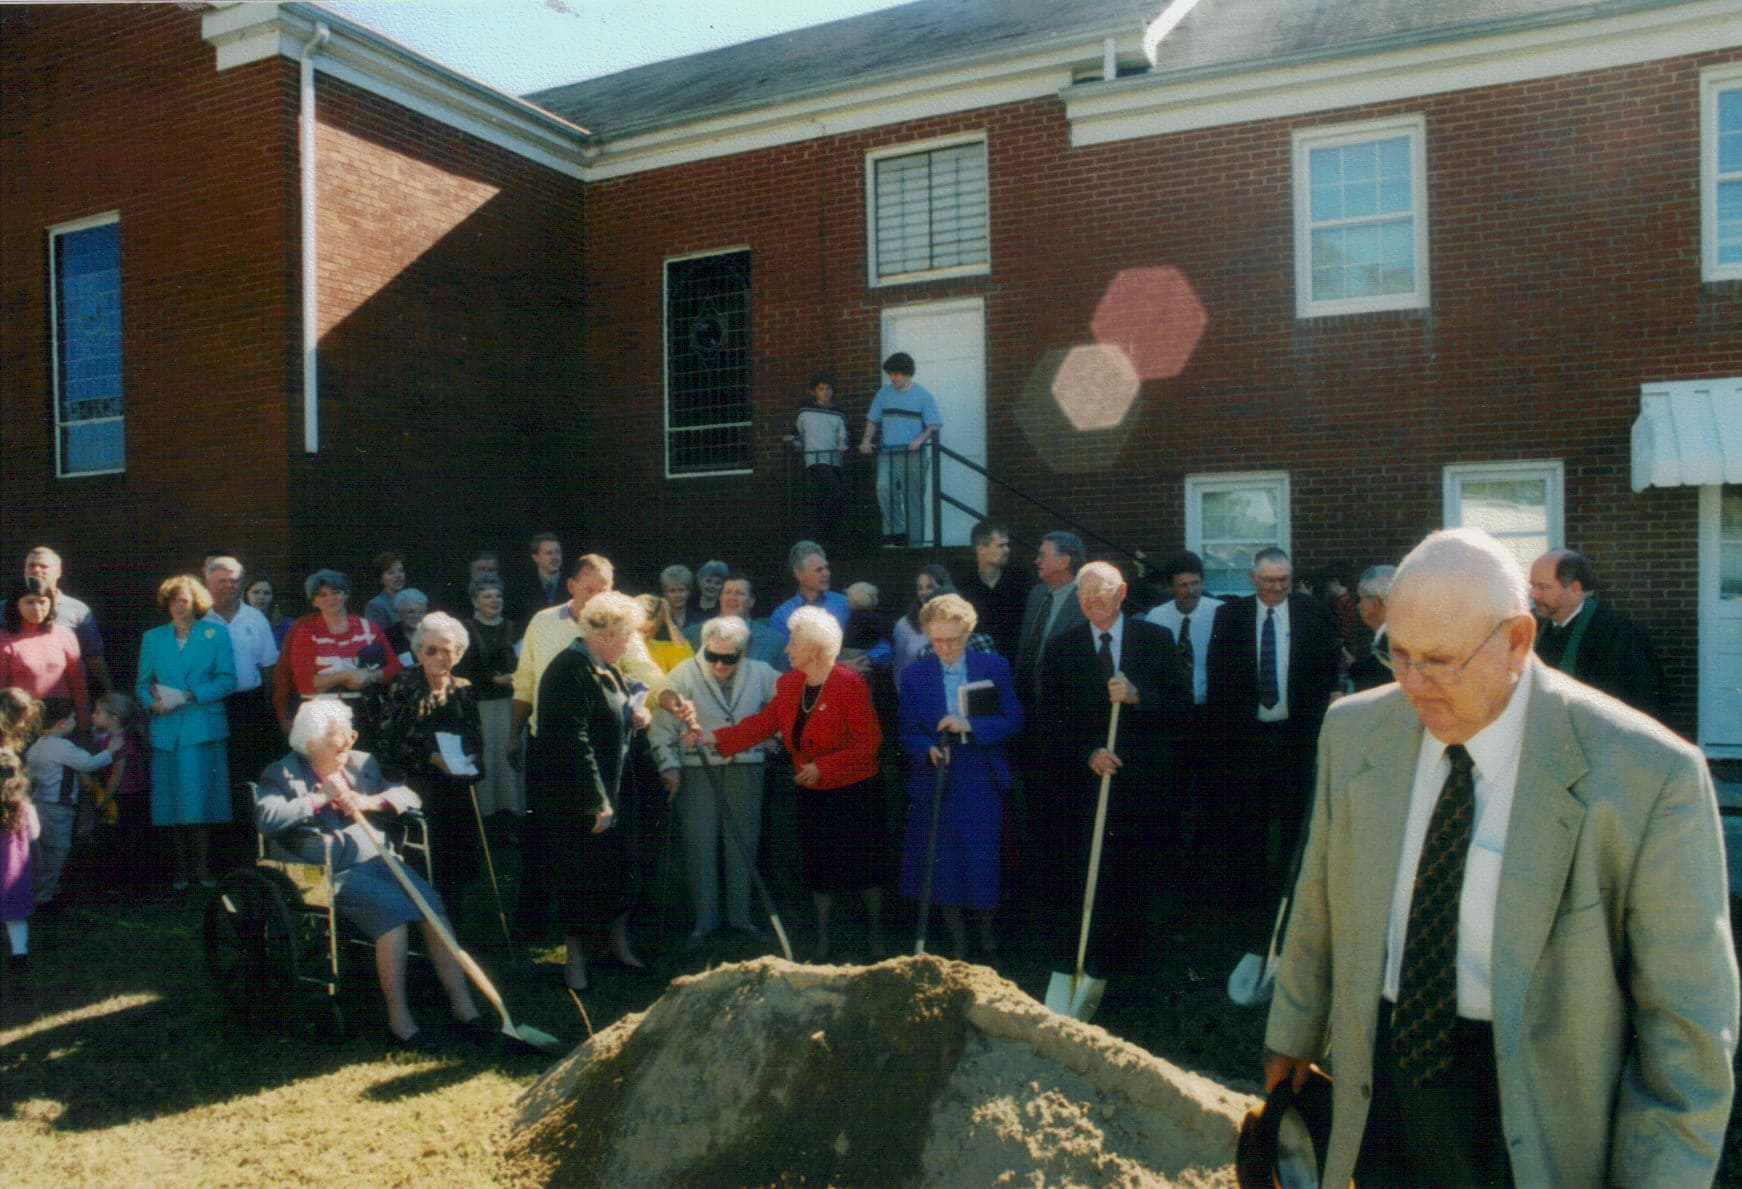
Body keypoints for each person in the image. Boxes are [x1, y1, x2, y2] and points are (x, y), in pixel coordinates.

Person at [1263, 527, 1738, 1187]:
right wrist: (1292, 1031)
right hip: (1384, 1091)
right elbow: (1319, 897)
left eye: (1440, 659)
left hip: (1540, 1122)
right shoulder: (1353, 730)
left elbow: (1687, 1036)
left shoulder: (1648, 776)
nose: (1414, 684)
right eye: (1397, 653)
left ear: (1518, 639)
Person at [257, 699, 490, 1051]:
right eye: (340, 737)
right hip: (331, 869)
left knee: (432, 908)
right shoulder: (283, 773)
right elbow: (268, 819)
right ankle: (400, 1021)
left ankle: (465, 1007)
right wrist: (319, 798)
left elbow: (408, 793)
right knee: (393, 918)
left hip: (381, 859)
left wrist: (369, 802)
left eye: (351, 734)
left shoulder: (362, 763)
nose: (350, 741)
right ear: (312, 741)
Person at [705, 605, 887, 962]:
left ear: (816, 648)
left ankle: (875, 936)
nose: (787, 649)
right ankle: (823, 941)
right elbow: (761, 724)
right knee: (819, 867)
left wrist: (825, 767)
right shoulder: (789, 684)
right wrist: (713, 738)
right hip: (813, 793)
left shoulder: (849, 684)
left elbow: (870, 743)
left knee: (867, 868)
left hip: (855, 790)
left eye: (794, 643)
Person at [1040, 562, 1190, 954]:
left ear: (1121, 591)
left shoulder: (1156, 639)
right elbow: (1050, 722)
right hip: (1089, 786)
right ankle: (1097, 953)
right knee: (1094, 873)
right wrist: (1087, 752)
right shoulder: (1061, 648)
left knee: (1142, 873)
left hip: (1144, 784)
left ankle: (1142, 956)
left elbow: (1182, 707)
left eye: (1101, 591)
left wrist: (1139, 695)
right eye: (1084, 594)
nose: (1093, 600)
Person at [523, 591, 649, 990]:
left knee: (614, 870)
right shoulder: (570, 669)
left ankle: (616, 944)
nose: (631, 643)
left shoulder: (605, 667)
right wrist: (595, 800)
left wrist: (634, 715)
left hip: (610, 789)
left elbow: (610, 713)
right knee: (577, 875)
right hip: (576, 796)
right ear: (608, 633)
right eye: (627, 635)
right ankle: (574, 961)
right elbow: (572, 739)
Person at [1204, 547, 1341, 903]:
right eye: (1268, 580)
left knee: (1296, 819)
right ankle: (1249, 900)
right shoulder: (1229, 617)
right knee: (1249, 822)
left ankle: (1293, 895)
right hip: (1247, 740)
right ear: (1253, 579)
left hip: (1296, 737)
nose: (1277, 588)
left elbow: (1327, 671)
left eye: (1283, 580)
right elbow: (1218, 680)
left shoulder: (1313, 614)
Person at [896, 594, 1023, 959]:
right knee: (944, 864)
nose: (946, 648)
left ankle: (988, 942)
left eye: (954, 639)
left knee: (981, 860)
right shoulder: (915, 674)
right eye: (937, 641)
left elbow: (1014, 720)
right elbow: (906, 729)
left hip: (980, 774)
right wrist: (926, 748)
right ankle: (958, 946)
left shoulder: (992, 667)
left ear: (968, 633)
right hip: (937, 776)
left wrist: (970, 725)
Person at [650, 615, 780, 947]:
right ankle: (704, 921)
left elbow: (786, 709)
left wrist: (773, 738)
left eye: (729, 658)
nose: (720, 665)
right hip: (697, 769)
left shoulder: (762, 673)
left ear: (744, 651)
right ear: (704, 649)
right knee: (699, 842)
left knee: (744, 842)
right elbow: (660, 728)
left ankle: (741, 917)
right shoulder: (683, 674)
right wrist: (669, 766)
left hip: (746, 765)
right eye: (713, 656)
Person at [363, 611, 484, 912]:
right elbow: (386, 742)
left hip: (454, 780)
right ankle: (423, 916)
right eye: (431, 650)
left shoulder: (464, 688)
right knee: (431, 852)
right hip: (415, 781)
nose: (440, 657)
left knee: (461, 852)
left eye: (448, 650)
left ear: (459, 652)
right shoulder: (405, 684)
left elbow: (476, 740)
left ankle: (453, 919)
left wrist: (470, 758)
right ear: (418, 652)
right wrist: (429, 757)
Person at [136, 574, 237, 889]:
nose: (178, 607)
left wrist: (190, 694)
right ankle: (180, 872)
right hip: (167, 728)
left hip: (201, 727)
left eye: (184, 600)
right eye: (173, 601)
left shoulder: (215, 634)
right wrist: (152, 704)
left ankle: (204, 871)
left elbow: (227, 679)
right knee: (171, 805)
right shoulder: (153, 638)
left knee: (201, 803)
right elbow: (141, 683)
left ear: (196, 602)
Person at [1529, 548, 1662, 718]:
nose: (1534, 595)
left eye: (1544, 587)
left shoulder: (1618, 634)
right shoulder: (1531, 627)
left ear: (1575, 588)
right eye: (1533, 586)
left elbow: (1639, 705)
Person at [22, 694, 120, 911]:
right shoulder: (62, 746)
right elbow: (88, 763)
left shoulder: (36, 746)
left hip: (39, 805)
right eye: (73, 718)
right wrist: (111, 751)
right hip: (59, 808)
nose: (76, 723)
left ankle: (43, 889)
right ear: (62, 723)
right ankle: (45, 897)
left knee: (43, 850)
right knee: (58, 850)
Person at [203, 556, 280, 796]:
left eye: (234, 581)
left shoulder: (256, 618)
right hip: (211, 705)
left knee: (250, 771)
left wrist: (268, 706)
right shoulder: (199, 618)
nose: (229, 586)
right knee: (217, 770)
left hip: (250, 705)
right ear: (208, 584)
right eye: (221, 581)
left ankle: (250, 826)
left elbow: (268, 667)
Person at [282, 569, 402, 717]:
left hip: (365, 711)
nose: (330, 598)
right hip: (321, 714)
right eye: (322, 595)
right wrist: (345, 675)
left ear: (346, 594)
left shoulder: (368, 627)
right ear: (314, 601)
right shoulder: (306, 633)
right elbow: (304, 684)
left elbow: (396, 667)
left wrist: (371, 676)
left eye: (336, 592)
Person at [452, 573, 520, 816]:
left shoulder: (513, 628)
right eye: (487, 596)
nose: (494, 600)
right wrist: (490, 678)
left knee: (508, 759)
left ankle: (511, 813)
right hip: (480, 707)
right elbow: (459, 668)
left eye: (498, 595)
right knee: (487, 758)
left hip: (509, 705)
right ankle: (487, 815)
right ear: (475, 601)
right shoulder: (466, 629)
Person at [858, 351, 942, 546]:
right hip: (888, 453)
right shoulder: (883, 393)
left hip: (913, 456)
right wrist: (866, 440)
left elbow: (934, 425)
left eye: (896, 374)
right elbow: (872, 420)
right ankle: (897, 532)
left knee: (913, 499)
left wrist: (919, 440)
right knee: (883, 487)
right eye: (890, 374)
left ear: (907, 373)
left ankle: (916, 544)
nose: (892, 378)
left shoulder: (923, 396)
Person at [0, 576, 91, 730]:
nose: (37, 608)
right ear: (16, 604)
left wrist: (84, 721)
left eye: (42, 601)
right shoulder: (4, 639)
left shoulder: (64, 635)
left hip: (60, 718)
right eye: (29, 602)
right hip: (20, 718)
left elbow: (77, 682)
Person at [20, 547, 112, 696]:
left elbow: (93, 658)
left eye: (43, 566)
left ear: (58, 572)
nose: (36, 570)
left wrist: (109, 692)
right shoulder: (5, 610)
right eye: (31, 565)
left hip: (65, 698)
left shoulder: (77, 610)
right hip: (15, 701)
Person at [1014, 531, 1087, 707]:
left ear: (1064, 562)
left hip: (1059, 700)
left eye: (1042, 556)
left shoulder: (1085, 601)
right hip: (1025, 693)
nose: (1036, 561)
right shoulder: (1037, 593)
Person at [956, 521, 1026, 661]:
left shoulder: (1020, 580)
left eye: (1007, 544)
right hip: (979, 666)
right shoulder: (964, 586)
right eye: (1001, 545)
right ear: (981, 549)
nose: (1007, 550)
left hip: (1015, 665)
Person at [793, 373, 849, 547]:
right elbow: (797, 435)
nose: (825, 392)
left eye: (828, 389)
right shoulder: (804, 413)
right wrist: (795, 444)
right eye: (821, 389)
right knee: (834, 493)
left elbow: (844, 436)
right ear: (814, 391)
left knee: (828, 498)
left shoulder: (838, 413)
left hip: (834, 461)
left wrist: (843, 445)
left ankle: (825, 538)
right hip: (815, 461)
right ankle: (822, 534)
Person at [688, 572, 785, 670]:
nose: (732, 598)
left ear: (751, 601)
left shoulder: (775, 642)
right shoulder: (692, 635)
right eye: (728, 592)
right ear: (720, 598)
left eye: (740, 593)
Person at [0, 743, 39, 973]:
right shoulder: (25, 808)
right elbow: (35, 834)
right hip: (13, 874)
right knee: (15, 918)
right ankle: (19, 954)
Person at [892, 564, 956, 678]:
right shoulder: (905, 624)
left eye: (930, 587)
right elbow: (900, 667)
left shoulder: (961, 618)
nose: (923, 592)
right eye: (920, 588)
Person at [1346, 564, 1396, 693]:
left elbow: (1377, 686)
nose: (1358, 606)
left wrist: (1354, 668)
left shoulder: (1390, 639)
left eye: (1360, 598)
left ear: (1376, 602)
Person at [510, 532, 565, 632]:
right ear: (535, 558)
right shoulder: (522, 587)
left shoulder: (573, 584)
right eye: (549, 553)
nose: (555, 557)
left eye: (557, 552)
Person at [362, 551, 407, 632]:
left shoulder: (413, 601)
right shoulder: (375, 606)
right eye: (391, 573)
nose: (398, 576)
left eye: (401, 571)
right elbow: (378, 638)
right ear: (381, 579)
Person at [384, 588, 428, 669]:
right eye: (410, 612)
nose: (416, 616)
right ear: (399, 613)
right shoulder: (387, 637)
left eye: (421, 612)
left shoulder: (435, 634)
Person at [245, 576, 292, 650]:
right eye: (256, 592)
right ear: (246, 594)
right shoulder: (235, 621)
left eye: (266, 593)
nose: (261, 597)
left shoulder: (286, 624)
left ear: (273, 596)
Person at [659, 564, 696, 638]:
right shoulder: (658, 622)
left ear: (688, 592)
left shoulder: (699, 619)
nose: (677, 595)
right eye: (672, 591)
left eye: (681, 590)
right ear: (665, 593)